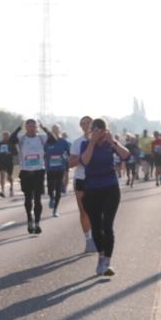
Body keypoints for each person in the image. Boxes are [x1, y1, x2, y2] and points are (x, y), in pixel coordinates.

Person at [79, 117, 130, 277]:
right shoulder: (85, 144)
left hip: (110, 188)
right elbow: (85, 161)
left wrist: (113, 142)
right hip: (92, 189)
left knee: (107, 225)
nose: (99, 134)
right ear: (91, 131)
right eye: (96, 131)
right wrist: (93, 142)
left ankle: (107, 261)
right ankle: (101, 256)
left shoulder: (110, 144)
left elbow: (126, 156)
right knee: (96, 226)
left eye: (102, 131)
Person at [67, 116, 96, 252]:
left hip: (98, 179)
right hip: (81, 179)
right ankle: (89, 240)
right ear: (81, 126)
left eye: (89, 123)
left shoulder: (101, 141)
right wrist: (84, 157)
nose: (86, 125)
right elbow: (70, 163)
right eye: (83, 123)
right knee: (84, 211)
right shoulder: (77, 143)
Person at [18, 119, 46, 234]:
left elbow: (53, 139)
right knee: (28, 199)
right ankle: (30, 219)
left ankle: (37, 223)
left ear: (36, 127)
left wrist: (44, 128)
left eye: (33, 126)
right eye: (29, 126)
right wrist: (19, 128)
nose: (31, 128)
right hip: (26, 172)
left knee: (38, 199)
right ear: (26, 127)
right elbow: (10, 140)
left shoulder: (41, 138)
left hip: (38, 172)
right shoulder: (21, 138)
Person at [44, 127, 70, 218]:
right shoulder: (47, 142)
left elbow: (69, 153)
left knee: (58, 189)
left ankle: (55, 210)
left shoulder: (63, 142)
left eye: (57, 129)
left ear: (60, 131)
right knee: (50, 187)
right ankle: (51, 198)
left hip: (60, 168)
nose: (55, 131)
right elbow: (43, 153)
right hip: (50, 168)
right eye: (53, 129)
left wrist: (66, 159)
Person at [0, 130, 16, 197]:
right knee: (2, 175)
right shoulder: (0, 143)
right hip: (2, 162)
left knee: (9, 177)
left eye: (7, 136)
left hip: (9, 161)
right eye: (4, 136)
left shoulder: (11, 143)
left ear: (9, 136)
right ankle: (2, 191)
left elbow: (16, 152)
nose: (5, 137)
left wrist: (10, 152)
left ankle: (11, 187)